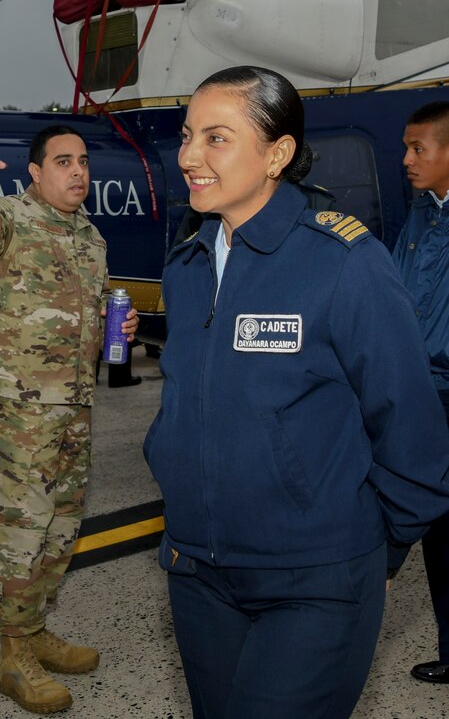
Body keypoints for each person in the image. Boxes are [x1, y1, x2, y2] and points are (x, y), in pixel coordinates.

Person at [143, 66, 449, 718]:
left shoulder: (341, 262)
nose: (188, 156)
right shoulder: (186, 266)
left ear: (276, 153)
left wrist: (375, 545)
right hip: (198, 572)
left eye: (216, 138)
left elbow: (411, 425)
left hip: (316, 577)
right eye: (187, 135)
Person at [0, 126, 137, 714]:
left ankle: (35, 629)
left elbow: (88, 314)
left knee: (61, 528)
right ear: (34, 172)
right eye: (63, 162)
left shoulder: (90, 237)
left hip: (74, 405)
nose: (77, 172)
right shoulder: (6, 220)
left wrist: (114, 330)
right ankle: (12, 654)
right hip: (18, 411)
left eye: (83, 162)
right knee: (20, 536)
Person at [392, 100, 449, 685]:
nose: (406, 160)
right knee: (441, 537)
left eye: (418, 149)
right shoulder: (421, 215)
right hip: (423, 394)